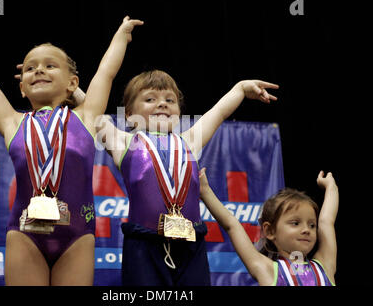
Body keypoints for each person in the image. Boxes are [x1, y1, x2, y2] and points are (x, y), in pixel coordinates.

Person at [0, 16, 143, 285]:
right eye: (31, 68)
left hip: (77, 236)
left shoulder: (86, 117)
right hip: (25, 233)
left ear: (72, 83)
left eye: (50, 65)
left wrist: (122, 33)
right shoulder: (13, 123)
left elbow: (106, 71)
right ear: (21, 87)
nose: (39, 70)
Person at [97, 70, 278, 285]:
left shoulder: (189, 141)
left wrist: (240, 88)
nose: (162, 104)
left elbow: (218, 112)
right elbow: (91, 111)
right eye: (150, 99)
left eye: (169, 100)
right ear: (128, 113)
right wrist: (69, 91)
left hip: (191, 244)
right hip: (143, 246)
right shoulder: (124, 143)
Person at [199, 168, 338, 286]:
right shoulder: (267, 269)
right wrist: (204, 191)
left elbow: (326, 221)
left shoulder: (325, 266)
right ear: (270, 231)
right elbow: (231, 225)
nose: (307, 230)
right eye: (295, 223)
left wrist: (331, 187)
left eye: (312, 225)